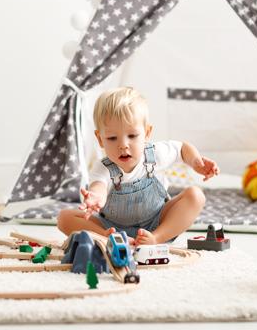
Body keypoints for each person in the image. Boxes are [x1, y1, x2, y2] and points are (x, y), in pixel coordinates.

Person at [57, 87, 219, 245]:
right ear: (100, 139)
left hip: (158, 222)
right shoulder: (104, 167)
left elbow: (182, 148)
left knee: (196, 196)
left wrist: (196, 162)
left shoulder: (154, 154)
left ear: (147, 133)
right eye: (112, 138)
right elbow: (98, 185)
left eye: (132, 136)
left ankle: (156, 238)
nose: (123, 145)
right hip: (113, 228)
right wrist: (96, 197)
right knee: (64, 218)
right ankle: (106, 238)